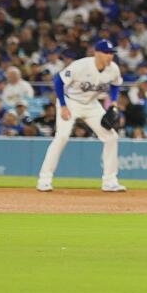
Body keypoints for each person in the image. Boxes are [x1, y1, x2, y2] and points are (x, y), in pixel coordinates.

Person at [35, 38, 126, 193]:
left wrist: (114, 103)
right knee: (62, 137)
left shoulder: (113, 69)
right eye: (106, 53)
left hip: (92, 104)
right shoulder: (81, 65)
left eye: (111, 53)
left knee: (111, 137)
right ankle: (44, 179)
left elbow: (116, 85)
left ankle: (110, 181)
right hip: (71, 102)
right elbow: (58, 81)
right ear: (97, 53)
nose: (110, 56)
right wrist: (63, 106)